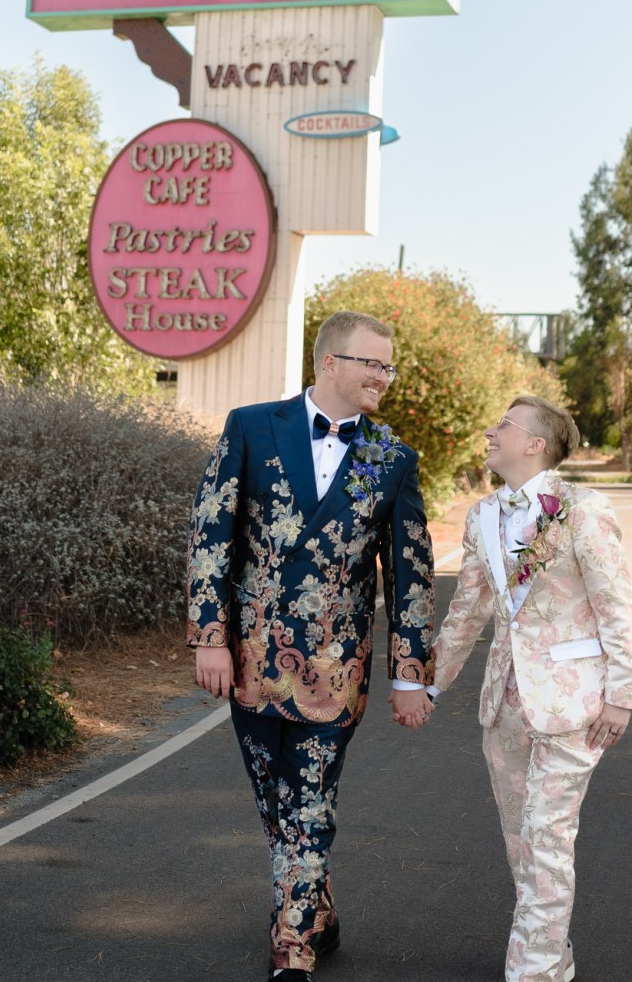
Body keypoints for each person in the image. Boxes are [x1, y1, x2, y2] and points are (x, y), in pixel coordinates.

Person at [186, 310, 435, 976]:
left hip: (335, 671)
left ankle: (291, 945)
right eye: (374, 364)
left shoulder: (390, 457)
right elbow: (212, 536)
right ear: (331, 363)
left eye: (389, 365)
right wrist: (210, 638)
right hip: (252, 661)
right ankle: (314, 907)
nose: (385, 376)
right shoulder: (250, 427)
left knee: (311, 800)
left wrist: (410, 672)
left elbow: (411, 574)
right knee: (275, 802)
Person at [425, 394, 632, 982]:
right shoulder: (481, 516)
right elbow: (468, 611)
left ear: (537, 444)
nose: (491, 431)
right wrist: (425, 686)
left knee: (548, 837)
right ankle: (553, 949)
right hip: (505, 703)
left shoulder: (581, 508)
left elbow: (615, 604)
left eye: (505, 424)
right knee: (522, 842)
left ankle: (535, 971)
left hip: (575, 702)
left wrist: (623, 695)